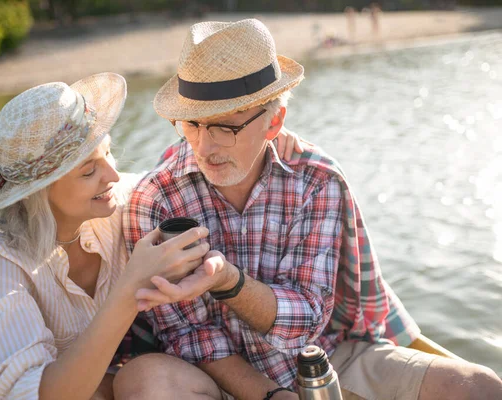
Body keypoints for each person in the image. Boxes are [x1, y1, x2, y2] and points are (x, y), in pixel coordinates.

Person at [122, 19, 502, 400]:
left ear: (274, 122)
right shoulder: (155, 199)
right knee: (147, 381)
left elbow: (307, 316)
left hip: (327, 358)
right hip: (219, 380)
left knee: (479, 387)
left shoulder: (317, 180)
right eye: (192, 123)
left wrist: (227, 281)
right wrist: (272, 396)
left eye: (225, 127)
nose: (204, 146)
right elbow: (187, 336)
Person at [0, 72, 304, 400]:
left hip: (109, 377)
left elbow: (188, 165)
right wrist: (128, 288)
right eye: (89, 171)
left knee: (147, 376)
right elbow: (33, 393)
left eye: (108, 154)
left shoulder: (124, 202)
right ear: (37, 193)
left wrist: (261, 138)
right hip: (25, 389)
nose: (112, 176)